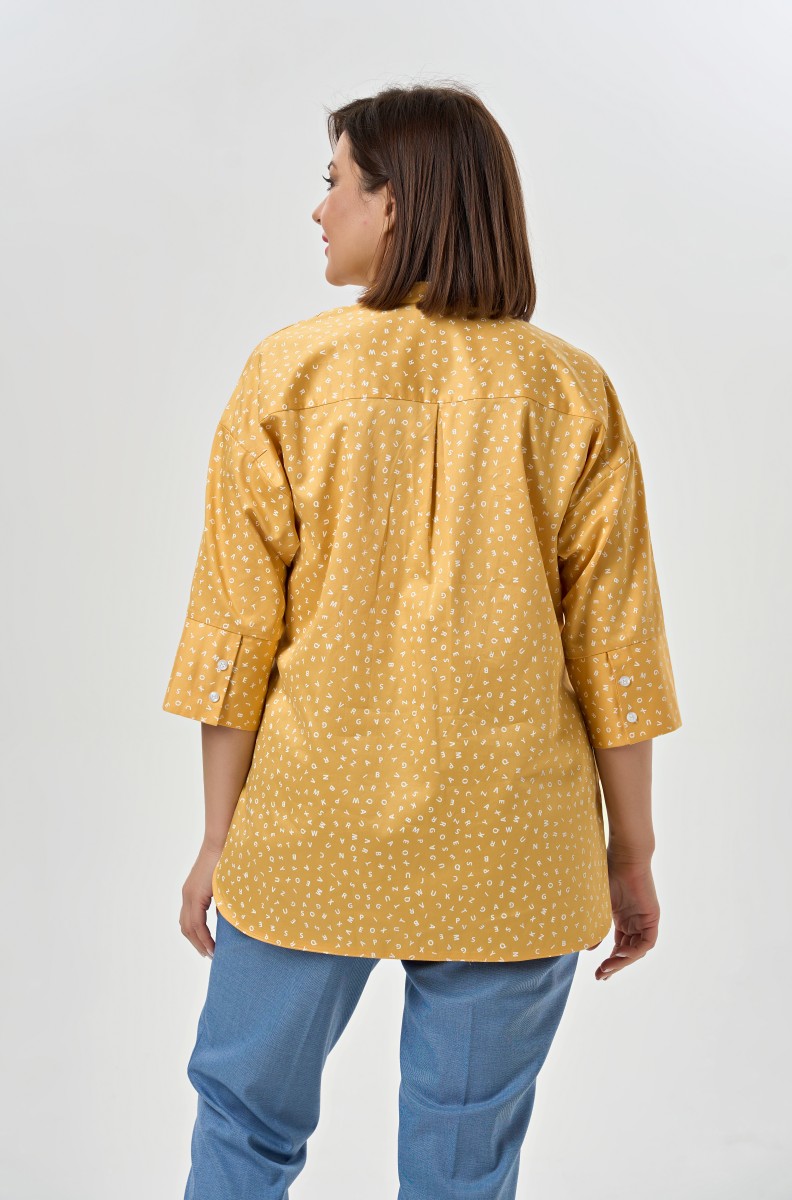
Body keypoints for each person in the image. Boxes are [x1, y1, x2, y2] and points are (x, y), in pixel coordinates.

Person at [163, 82, 683, 1200]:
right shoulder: (572, 393)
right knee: (462, 1168)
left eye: (336, 183)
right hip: (515, 848)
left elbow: (236, 632)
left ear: (396, 202)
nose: (320, 210)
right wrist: (631, 852)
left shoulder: (289, 373)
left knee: (244, 1129)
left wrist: (217, 837)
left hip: (310, 834)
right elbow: (616, 653)